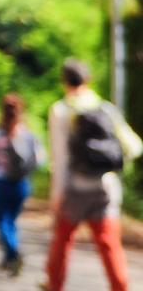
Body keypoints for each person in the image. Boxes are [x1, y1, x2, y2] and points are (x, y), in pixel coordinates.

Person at [42, 59, 143, 291]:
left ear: (64, 82)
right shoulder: (106, 108)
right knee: (109, 244)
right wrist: (112, 165)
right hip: (106, 187)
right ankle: (120, 286)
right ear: (88, 80)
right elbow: (134, 147)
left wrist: (56, 195)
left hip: (75, 189)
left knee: (63, 239)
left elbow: (60, 159)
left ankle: (54, 285)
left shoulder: (62, 111)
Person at [0, 93, 44, 276]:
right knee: (11, 220)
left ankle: (13, 253)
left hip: (0, 182)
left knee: (2, 220)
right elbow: (40, 159)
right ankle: (8, 258)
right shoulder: (28, 135)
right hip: (21, 183)